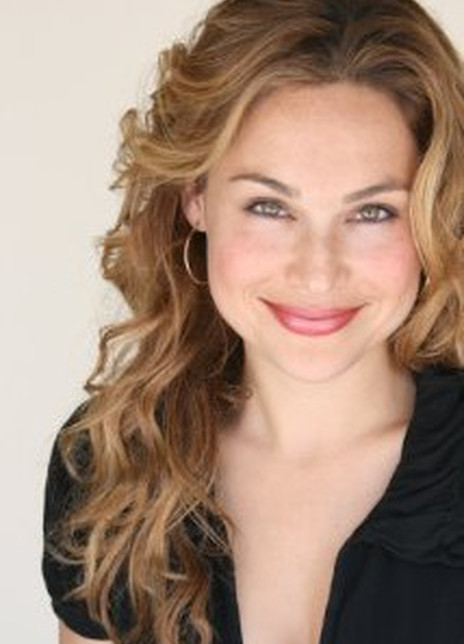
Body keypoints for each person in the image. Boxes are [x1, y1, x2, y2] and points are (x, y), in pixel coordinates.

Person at [42, 0, 464, 642]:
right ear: (196, 196)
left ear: (437, 213)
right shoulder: (110, 463)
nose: (317, 273)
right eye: (269, 206)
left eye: (373, 212)